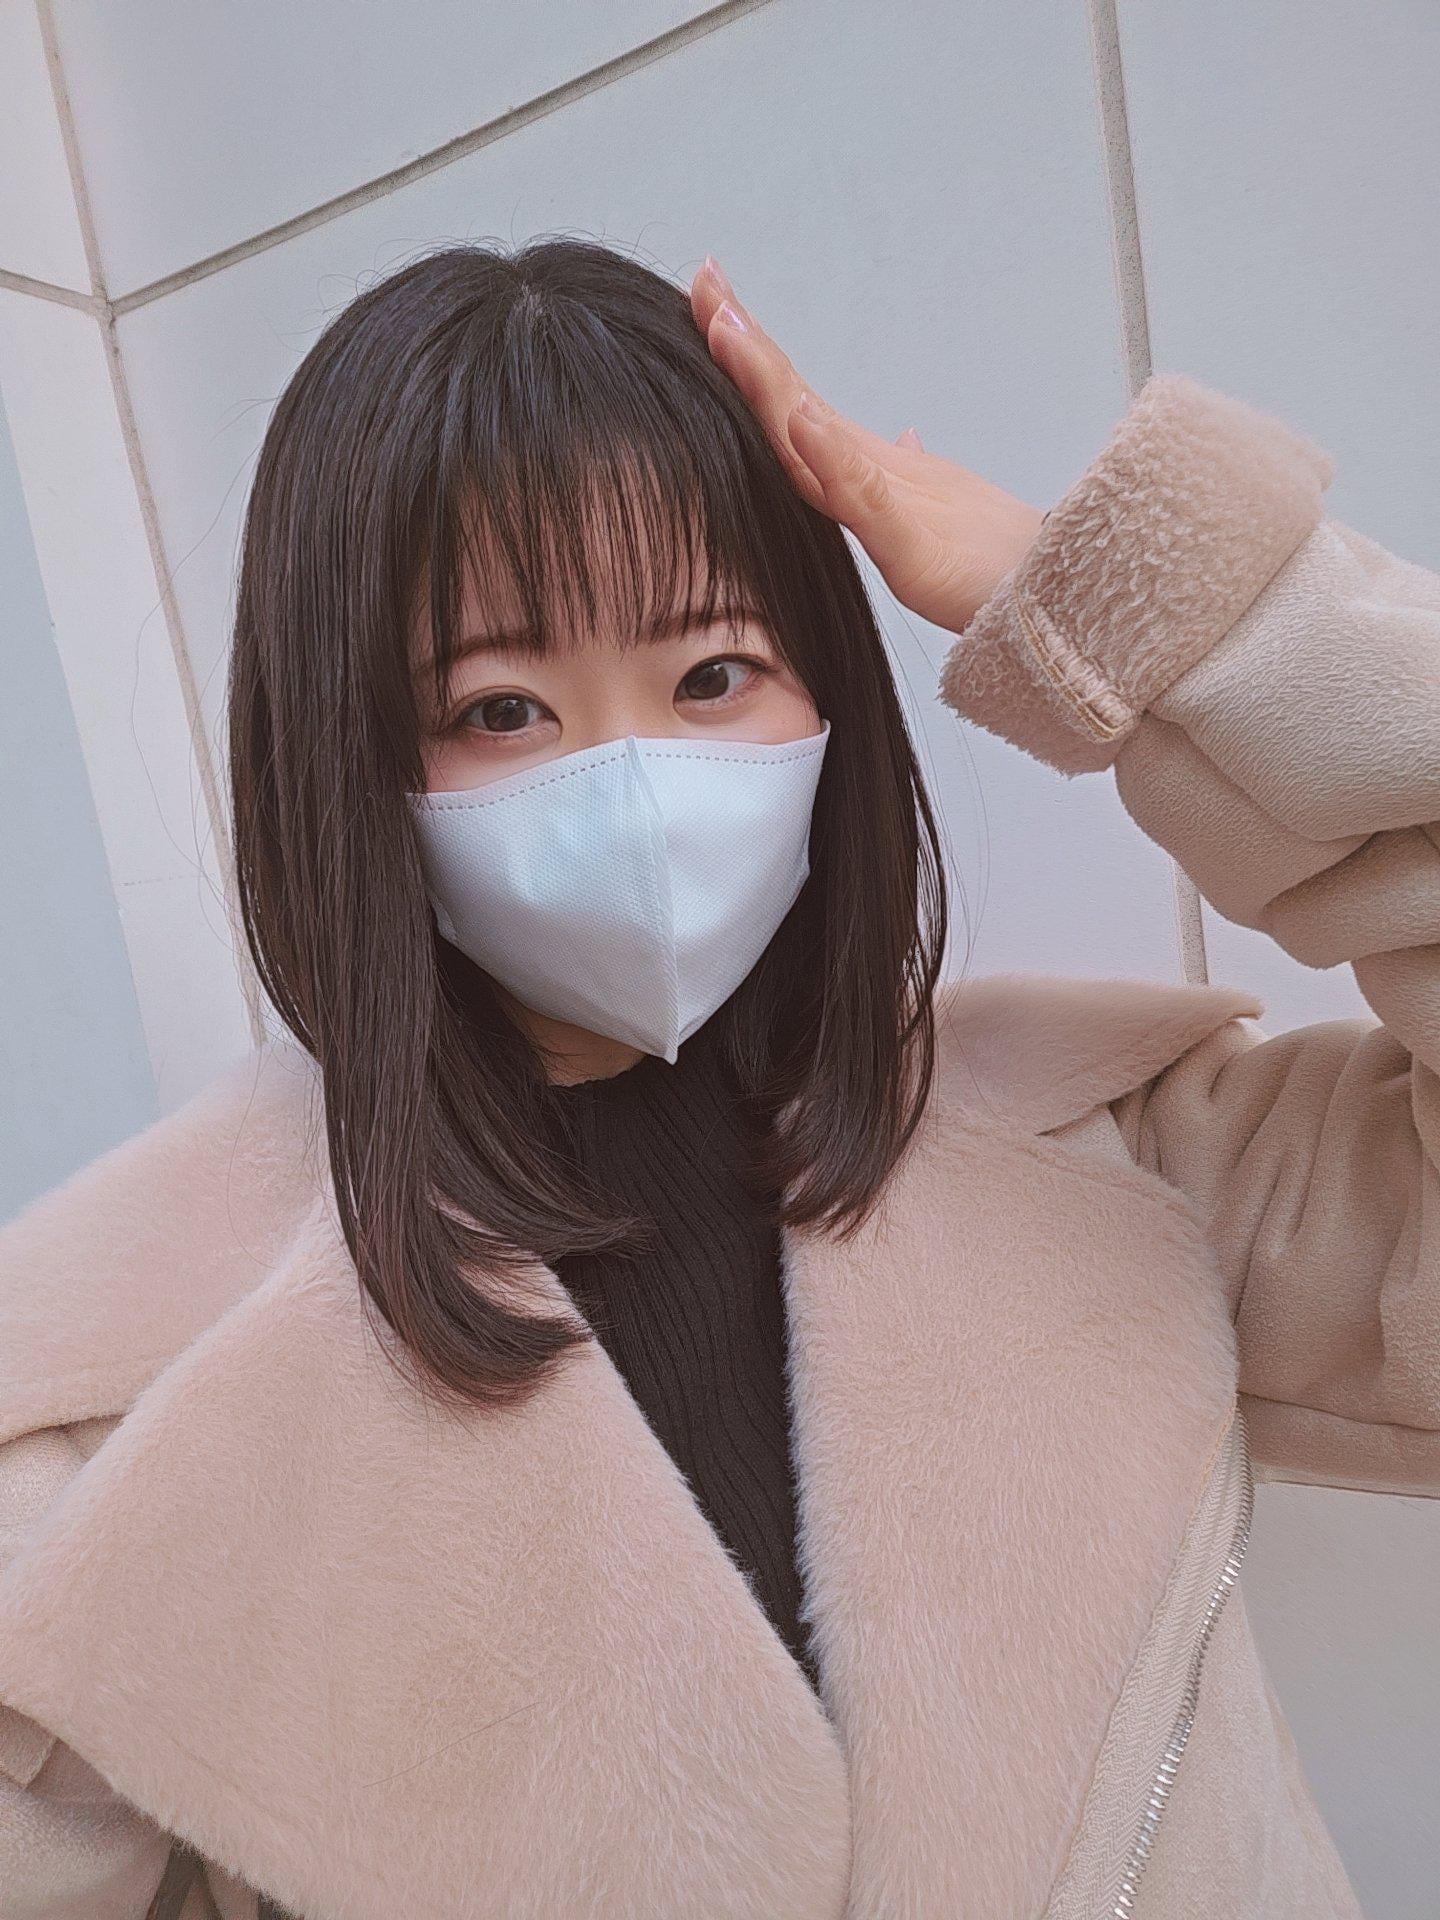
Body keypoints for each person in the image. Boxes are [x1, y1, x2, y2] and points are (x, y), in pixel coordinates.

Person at [0, 238, 1434, 1920]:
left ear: (828, 687)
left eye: (711, 675)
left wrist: (1145, 618)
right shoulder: (117, 1408)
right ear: (348, 758)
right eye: (502, 709)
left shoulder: (1132, 1148)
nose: (633, 784)